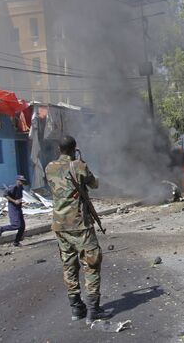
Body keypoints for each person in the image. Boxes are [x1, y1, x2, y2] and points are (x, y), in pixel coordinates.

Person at [45, 135, 110, 324]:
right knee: (91, 263)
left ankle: (76, 308)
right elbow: (94, 183)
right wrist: (80, 161)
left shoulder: (49, 167)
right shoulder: (78, 166)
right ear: (74, 148)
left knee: (69, 265)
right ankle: (93, 309)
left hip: (60, 225)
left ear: (59, 149)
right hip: (80, 224)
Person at [0, 175, 27, 246]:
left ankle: (16, 242)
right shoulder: (13, 187)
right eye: (20, 181)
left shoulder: (21, 188)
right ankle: (2, 228)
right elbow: (5, 195)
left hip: (18, 208)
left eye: (22, 181)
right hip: (13, 208)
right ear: (17, 180)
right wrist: (14, 201)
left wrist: (20, 201)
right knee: (16, 225)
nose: (21, 182)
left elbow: (19, 197)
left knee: (22, 226)